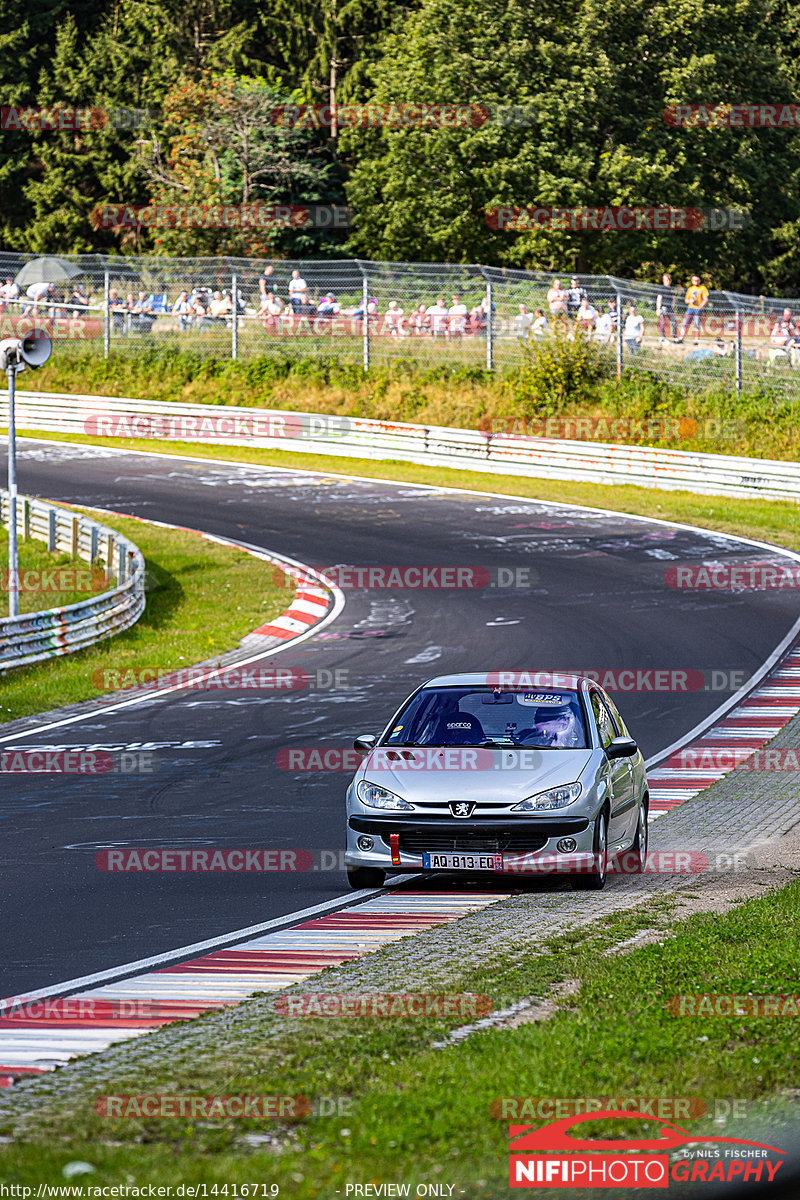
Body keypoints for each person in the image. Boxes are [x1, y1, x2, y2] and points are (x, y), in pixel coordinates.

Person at [676, 275, 709, 344]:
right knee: (685, 323)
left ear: (699, 281)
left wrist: (701, 306)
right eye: (694, 280)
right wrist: (689, 301)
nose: (696, 282)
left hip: (698, 309)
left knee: (697, 324)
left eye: (697, 280)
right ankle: (681, 339)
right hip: (690, 308)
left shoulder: (703, 288)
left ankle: (696, 340)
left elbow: (705, 299)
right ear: (692, 281)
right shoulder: (690, 289)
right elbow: (686, 300)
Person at [656, 273, 677, 342]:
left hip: (670, 308)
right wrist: (658, 309)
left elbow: (673, 298)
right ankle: (662, 337)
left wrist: (673, 307)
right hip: (663, 307)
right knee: (663, 322)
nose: (665, 281)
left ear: (670, 280)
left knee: (674, 322)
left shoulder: (671, 289)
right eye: (664, 280)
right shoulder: (662, 289)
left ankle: (675, 337)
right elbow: (659, 298)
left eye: (667, 280)